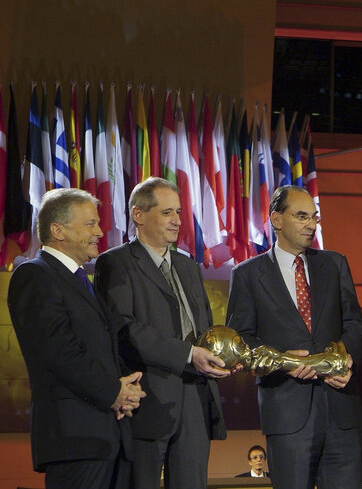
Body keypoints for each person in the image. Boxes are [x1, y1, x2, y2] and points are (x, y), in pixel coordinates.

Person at [226, 185, 362, 489]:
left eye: (314, 217)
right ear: (276, 219)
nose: (311, 225)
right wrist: (283, 361)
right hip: (288, 415)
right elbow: (242, 341)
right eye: (302, 217)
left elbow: (355, 323)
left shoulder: (335, 263)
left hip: (342, 412)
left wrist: (346, 358)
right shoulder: (247, 274)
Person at [94, 177, 229, 489]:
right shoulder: (115, 263)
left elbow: (203, 326)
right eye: (167, 213)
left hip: (196, 397)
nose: (177, 221)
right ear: (139, 215)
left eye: (179, 212)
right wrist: (187, 354)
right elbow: (124, 328)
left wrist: (220, 354)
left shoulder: (189, 266)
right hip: (147, 398)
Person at [8, 188, 146, 489]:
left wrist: (126, 387)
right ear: (57, 230)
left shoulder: (81, 281)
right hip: (75, 439)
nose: (99, 231)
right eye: (89, 224)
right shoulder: (35, 275)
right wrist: (114, 391)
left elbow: (101, 349)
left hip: (109, 438)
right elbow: (60, 353)